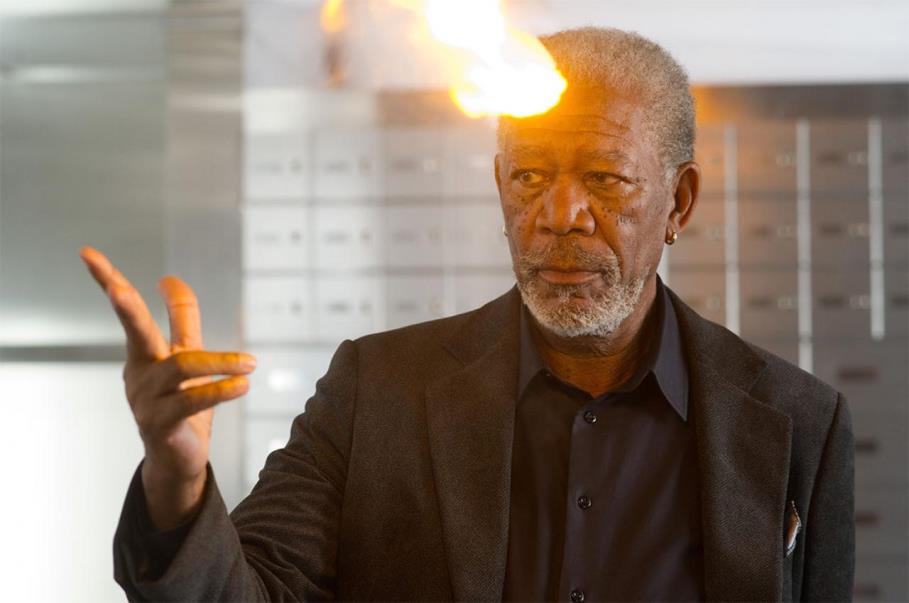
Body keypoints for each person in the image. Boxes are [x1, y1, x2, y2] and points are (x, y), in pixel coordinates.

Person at [81, 26, 854, 602]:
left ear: (678, 201)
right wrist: (177, 480)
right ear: (497, 185)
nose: (559, 214)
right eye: (528, 175)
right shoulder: (374, 390)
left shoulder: (800, 425)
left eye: (605, 179)